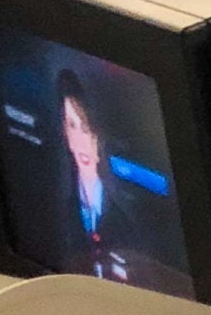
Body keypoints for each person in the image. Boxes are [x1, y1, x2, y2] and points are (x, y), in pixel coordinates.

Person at [53, 68, 149, 283]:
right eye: (72, 126)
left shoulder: (126, 214)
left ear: (99, 136)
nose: (80, 141)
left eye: (86, 129)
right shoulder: (63, 208)